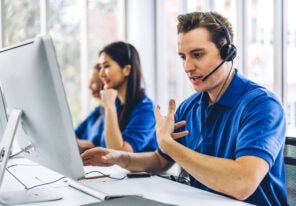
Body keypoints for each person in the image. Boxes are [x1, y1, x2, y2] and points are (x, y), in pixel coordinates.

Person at [81, 11, 288, 206]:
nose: (187, 67)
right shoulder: (190, 107)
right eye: (183, 56)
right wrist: (119, 158)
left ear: (227, 52)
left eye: (197, 55)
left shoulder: (262, 106)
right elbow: (160, 161)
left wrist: (170, 145)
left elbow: (242, 183)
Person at [96, 41, 157, 152]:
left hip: (138, 170)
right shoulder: (117, 105)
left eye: (106, 66)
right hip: (113, 169)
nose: (101, 74)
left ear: (127, 70)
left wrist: (109, 106)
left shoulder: (146, 109)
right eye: (100, 67)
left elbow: (119, 154)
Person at [75, 63, 105, 152]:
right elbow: (74, 134)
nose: (89, 87)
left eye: (94, 82)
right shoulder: (96, 112)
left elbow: (94, 146)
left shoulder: (113, 115)